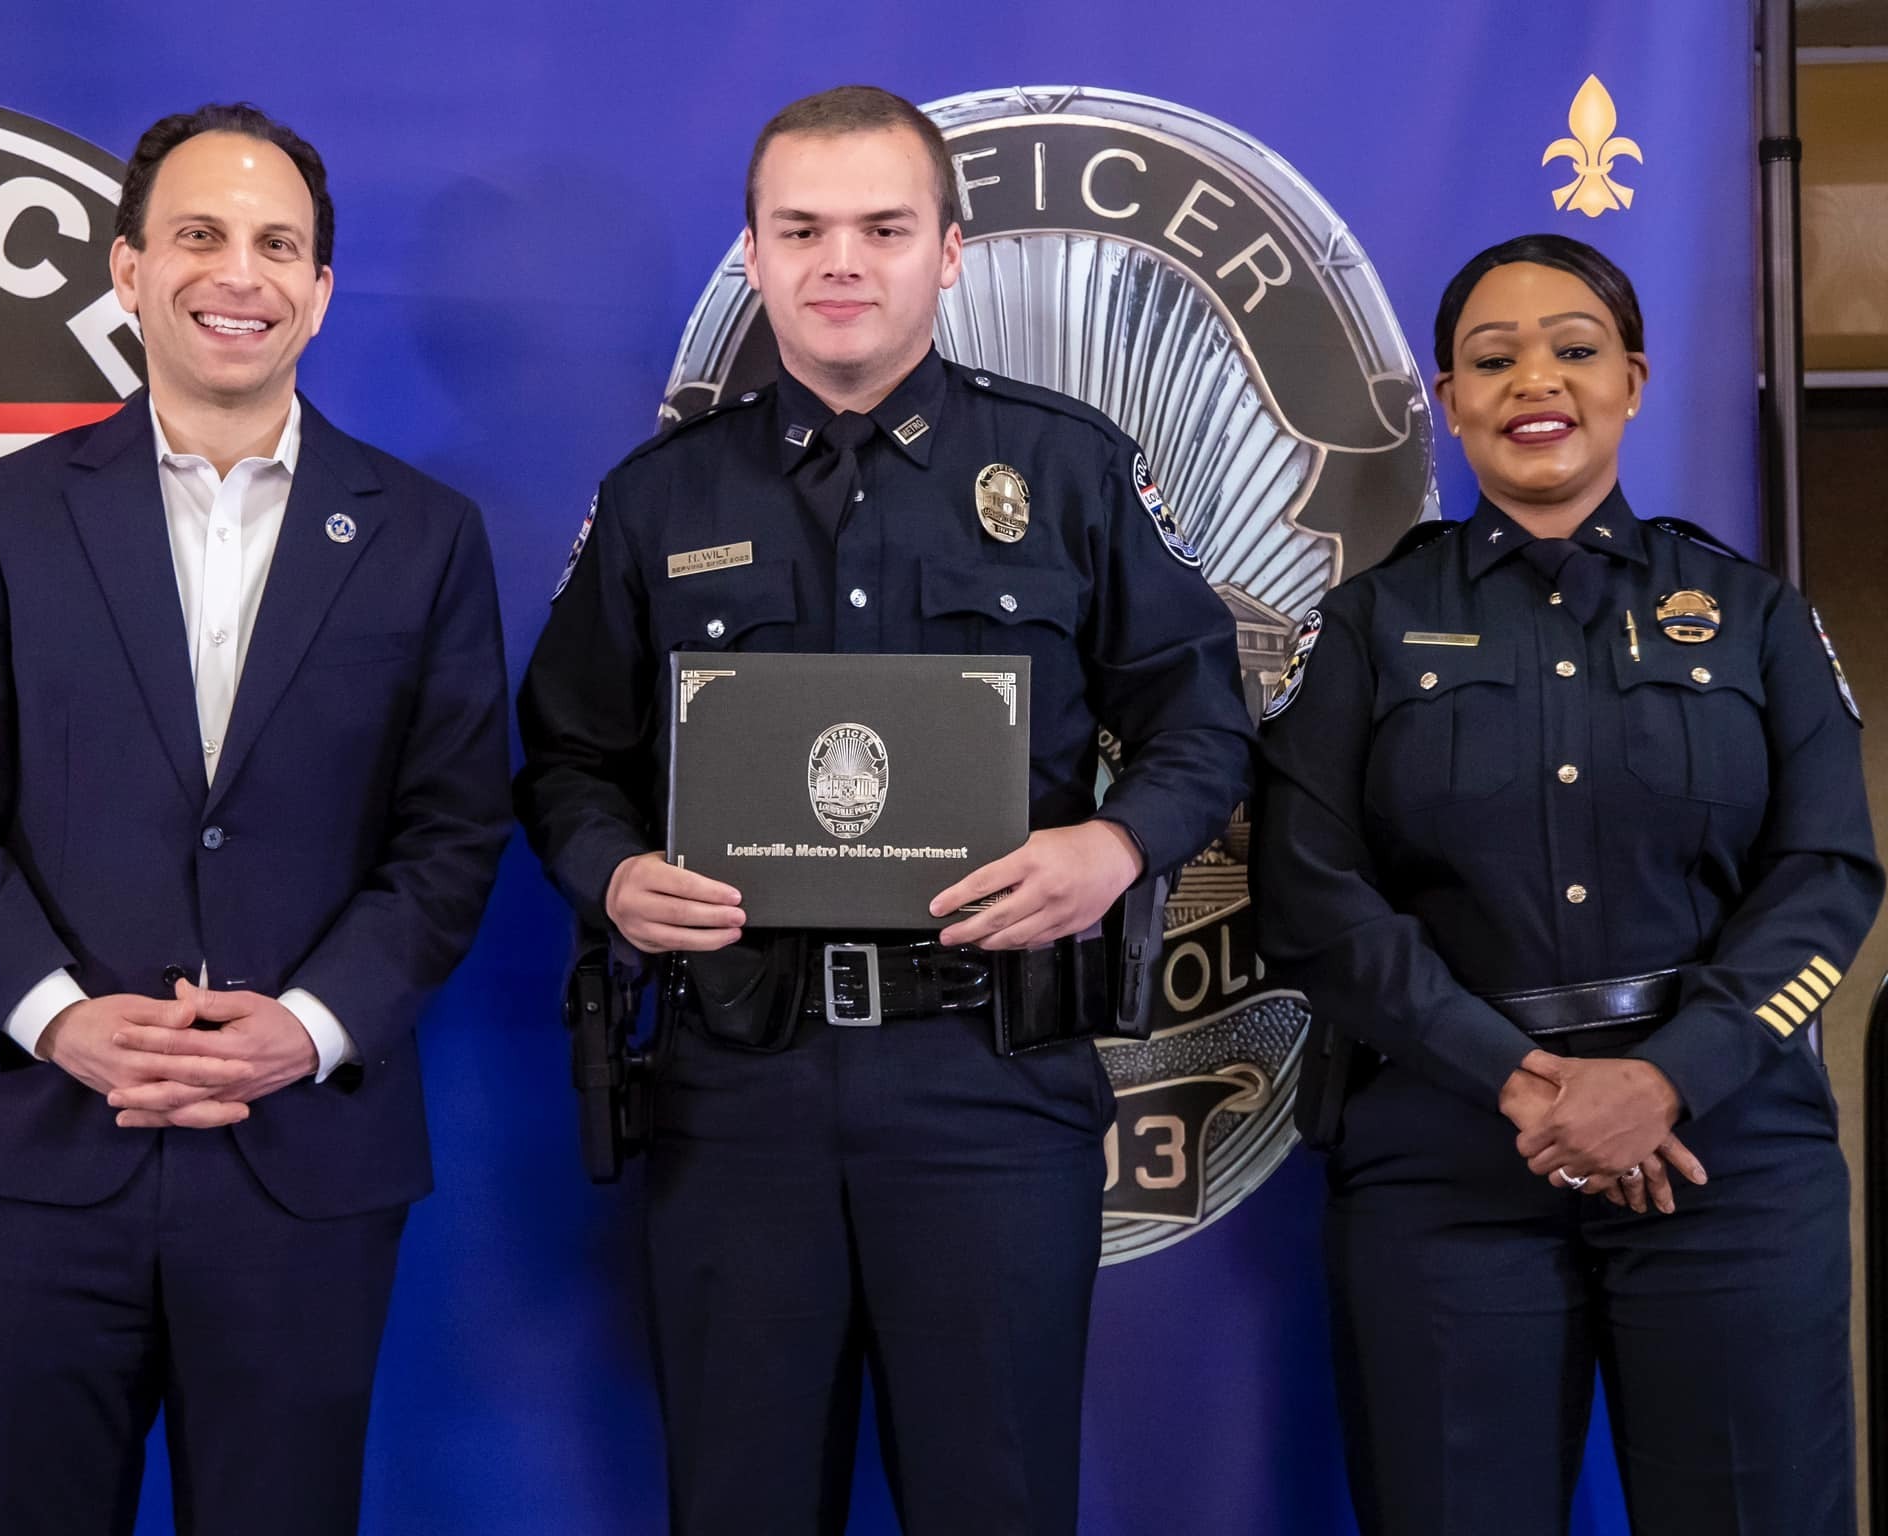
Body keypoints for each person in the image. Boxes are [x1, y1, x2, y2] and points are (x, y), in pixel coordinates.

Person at [516, 84, 1251, 1534]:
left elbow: (1201, 719)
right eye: (802, 228)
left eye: (881, 227)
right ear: (755, 254)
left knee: (997, 1498)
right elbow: (560, 756)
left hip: (988, 1074)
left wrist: (1111, 847)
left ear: (950, 252)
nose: (840, 261)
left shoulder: (1067, 471)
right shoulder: (661, 499)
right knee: (738, 1501)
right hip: (740, 1085)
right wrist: (609, 877)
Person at [0, 104, 510, 1536]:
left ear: (324, 291)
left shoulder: (423, 535)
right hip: (40, 1156)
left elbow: (453, 835)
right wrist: (57, 1016)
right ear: (129, 271)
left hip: (304, 1167)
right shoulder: (2, 520)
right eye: (202, 236)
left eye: (279, 244)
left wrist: (313, 1025)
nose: (242, 272)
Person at [1253, 233, 1880, 1536]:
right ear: (1451, 401)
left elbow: (1828, 880)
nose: (1537, 379)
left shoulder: (1758, 618)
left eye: (1576, 349)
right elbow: (1309, 896)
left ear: (1635, 381)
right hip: (1449, 1161)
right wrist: (1523, 1079)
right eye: (1494, 359)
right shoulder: (1367, 629)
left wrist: (1663, 1079)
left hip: (1725, 1156)